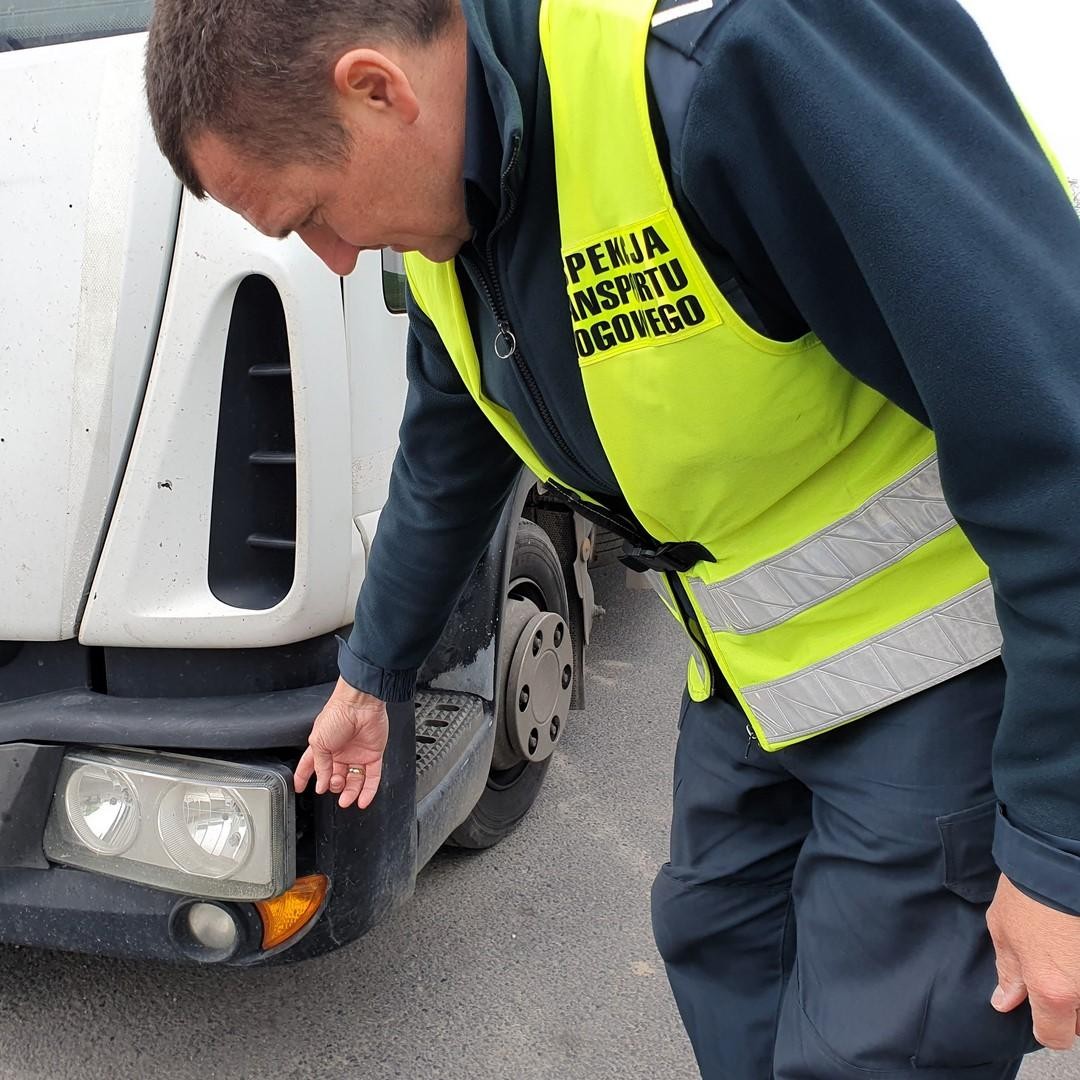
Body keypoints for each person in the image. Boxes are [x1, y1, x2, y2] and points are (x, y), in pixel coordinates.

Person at [143, 1, 1080, 1076]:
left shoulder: (731, 57)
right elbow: (447, 462)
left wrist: (1060, 846)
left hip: (952, 671)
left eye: (313, 213)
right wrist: (372, 678)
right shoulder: (463, 218)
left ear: (376, 88)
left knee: (878, 1047)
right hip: (757, 674)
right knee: (721, 944)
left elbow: (1054, 427)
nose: (339, 258)